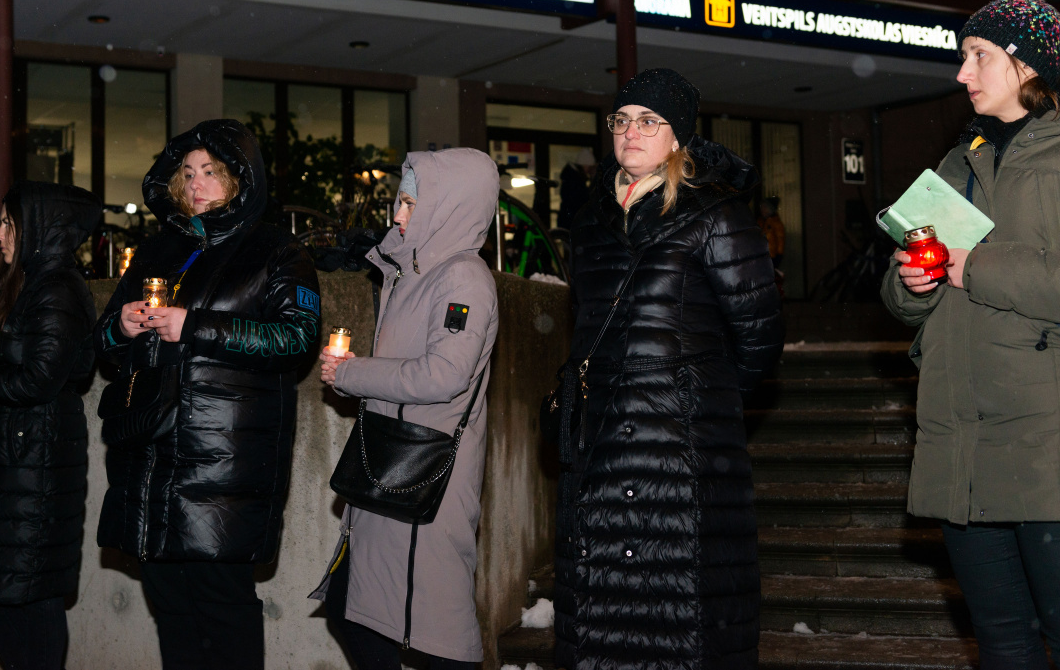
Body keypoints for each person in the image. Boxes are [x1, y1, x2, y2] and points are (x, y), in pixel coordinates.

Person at [555, 68, 783, 669]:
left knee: (678, 614)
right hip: (602, 445)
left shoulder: (717, 214)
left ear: (678, 136)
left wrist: (695, 400)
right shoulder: (590, 220)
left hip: (682, 455)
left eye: (649, 121)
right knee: (608, 613)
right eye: (622, 120)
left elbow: (760, 336)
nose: (630, 132)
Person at [94, 119, 320, 670]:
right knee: (170, 604)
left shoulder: (277, 250)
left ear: (240, 178)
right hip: (152, 454)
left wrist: (193, 326)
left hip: (224, 461)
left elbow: (296, 339)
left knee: (222, 606)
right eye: (188, 172)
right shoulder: (156, 251)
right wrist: (121, 327)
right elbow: (99, 346)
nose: (196, 183)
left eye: (211, 172)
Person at [881, 0, 1060, 670]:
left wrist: (974, 265)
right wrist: (912, 281)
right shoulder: (958, 162)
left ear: (1027, 64)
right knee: (1003, 644)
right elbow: (899, 294)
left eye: (979, 56)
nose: (962, 74)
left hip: (1044, 447)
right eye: (963, 57)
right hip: (961, 441)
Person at [314, 148, 500, 670]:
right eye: (400, 201)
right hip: (390, 465)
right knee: (353, 611)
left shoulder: (462, 278)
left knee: (436, 633)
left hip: (426, 474)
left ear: (450, 205)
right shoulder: (412, 271)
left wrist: (352, 374)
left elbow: (443, 375)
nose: (398, 215)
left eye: (412, 204)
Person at [0, 181, 101, 670]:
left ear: (39, 229)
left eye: (8, 224)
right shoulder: (26, 283)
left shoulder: (57, 289)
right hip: (9, 460)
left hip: (33, 463)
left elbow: (38, 379)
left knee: (27, 590)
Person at [757, 195, 785, 269]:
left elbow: (780, 241)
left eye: (765, 207)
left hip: (771, 257)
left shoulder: (776, 223)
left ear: (771, 209)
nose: (762, 209)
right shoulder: (759, 221)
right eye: (762, 207)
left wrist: (778, 257)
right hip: (760, 256)